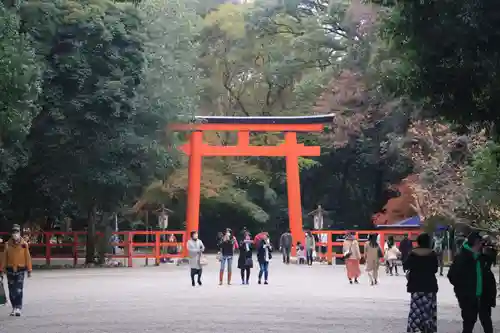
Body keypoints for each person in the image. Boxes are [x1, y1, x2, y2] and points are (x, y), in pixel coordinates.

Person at [448, 232, 497, 333]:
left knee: (487, 323)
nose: (482, 245)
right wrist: (462, 290)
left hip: (484, 296)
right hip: (468, 297)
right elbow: (452, 276)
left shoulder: (482, 257)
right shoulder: (462, 257)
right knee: (468, 323)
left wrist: (490, 249)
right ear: (476, 243)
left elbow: (492, 259)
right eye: (481, 243)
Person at [404, 233, 438, 333]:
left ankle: (415, 329)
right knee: (428, 311)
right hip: (429, 286)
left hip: (416, 285)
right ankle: (427, 329)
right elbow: (435, 269)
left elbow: (406, 265)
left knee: (416, 310)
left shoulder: (413, 253)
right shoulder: (432, 254)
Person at [0, 224, 32, 316]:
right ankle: (14, 307)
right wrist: (1, 269)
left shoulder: (24, 244)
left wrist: (29, 269)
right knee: (11, 290)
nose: (15, 234)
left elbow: (28, 257)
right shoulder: (7, 244)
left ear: (19, 232)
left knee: (18, 289)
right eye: (13, 232)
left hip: (20, 269)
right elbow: (4, 258)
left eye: (17, 232)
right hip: (10, 269)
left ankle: (18, 307)